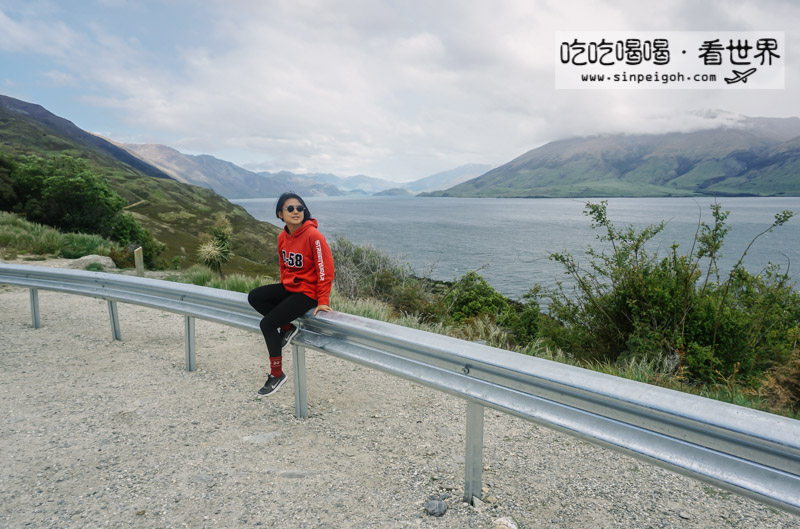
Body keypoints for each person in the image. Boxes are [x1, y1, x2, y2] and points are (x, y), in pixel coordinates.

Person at [247, 192, 334, 397]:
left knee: (267, 324)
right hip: (291, 288)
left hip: (308, 292)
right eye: (290, 209)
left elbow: (325, 270)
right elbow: (283, 265)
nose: (296, 212)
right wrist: (285, 286)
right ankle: (287, 328)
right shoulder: (282, 236)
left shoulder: (314, 236)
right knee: (255, 296)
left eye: (300, 208)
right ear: (280, 214)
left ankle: (277, 375)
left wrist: (322, 300)